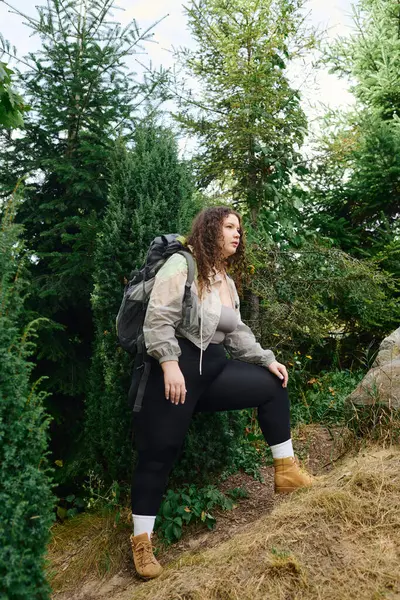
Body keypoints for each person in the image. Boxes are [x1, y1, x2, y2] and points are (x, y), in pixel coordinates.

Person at [129, 206, 312, 579]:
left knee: (272, 385)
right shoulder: (182, 265)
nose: (237, 234)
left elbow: (237, 332)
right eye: (229, 227)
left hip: (214, 371)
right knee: (158, 454)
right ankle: (141, 543)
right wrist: (168, 365)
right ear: (211, 230)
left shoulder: (224, 279)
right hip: (176, 374)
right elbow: (158, 319)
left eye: (239, 229)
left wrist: (266, 360)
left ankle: (287, 471)